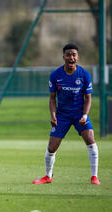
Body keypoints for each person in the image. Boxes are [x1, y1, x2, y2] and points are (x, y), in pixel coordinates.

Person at [33, 44, 100, 185]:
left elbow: (88, 98)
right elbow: (52, 98)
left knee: (90, 139)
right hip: (62, 115)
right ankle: (48, 176)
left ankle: (94, 177)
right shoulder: (55, 75)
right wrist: (53, 115)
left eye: (74, 54)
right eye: (68, 55)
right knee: (51, 148)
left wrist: (85, 116)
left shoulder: (84, 75)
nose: (71, 57)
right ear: (63, 57)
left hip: (79, 114)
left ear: (77, 57)